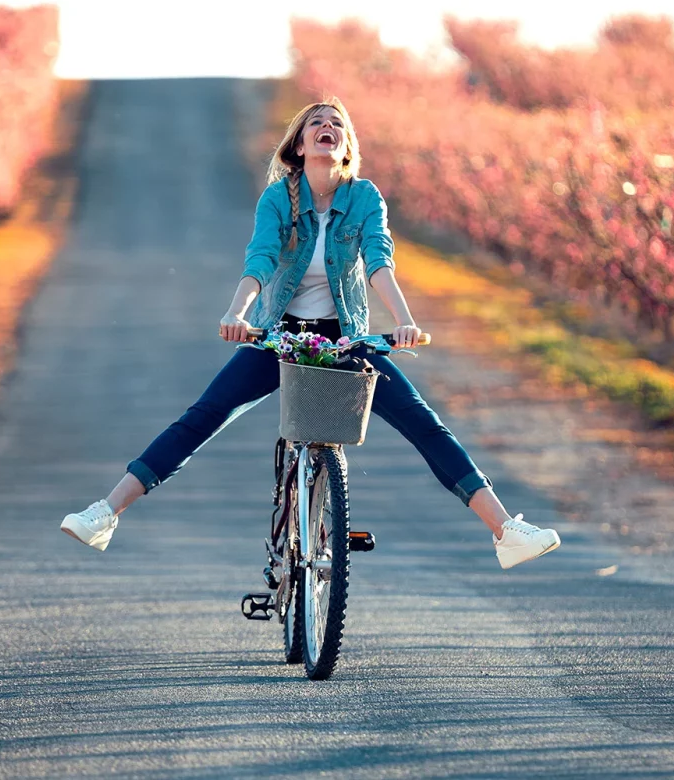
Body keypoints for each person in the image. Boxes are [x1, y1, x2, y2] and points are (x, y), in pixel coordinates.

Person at [59, 97, 560, 569]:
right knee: (203, 417)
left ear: (346, 146)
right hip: (280, 337)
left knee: (424, 424)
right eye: (317, 122)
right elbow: (260, 259)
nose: (328, 127)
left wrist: (404, 321)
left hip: (345, 339)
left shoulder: (364, 197)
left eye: (337, 124)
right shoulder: (279, 199)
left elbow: (378, 260)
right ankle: (106, 513)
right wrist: (238, 314)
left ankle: (505, 532)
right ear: (300, 144)